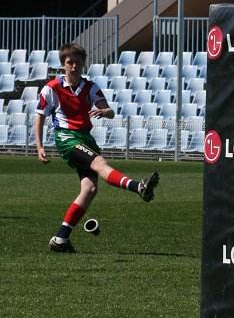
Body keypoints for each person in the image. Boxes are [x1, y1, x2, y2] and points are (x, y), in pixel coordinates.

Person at [34, 43, 159, 253]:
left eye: (78, 62)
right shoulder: (52, 88)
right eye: (69, 62)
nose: (74, 66)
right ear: (63, 65)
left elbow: (109, 111)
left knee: (89, 189)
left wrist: (105, 111)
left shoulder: (90, 87)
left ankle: (60, 238)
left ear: (83, 64)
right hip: (67, 138)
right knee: (100, 164)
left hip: (85, 139)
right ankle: (138, 187)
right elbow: (39, 118)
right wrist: (39, 147)